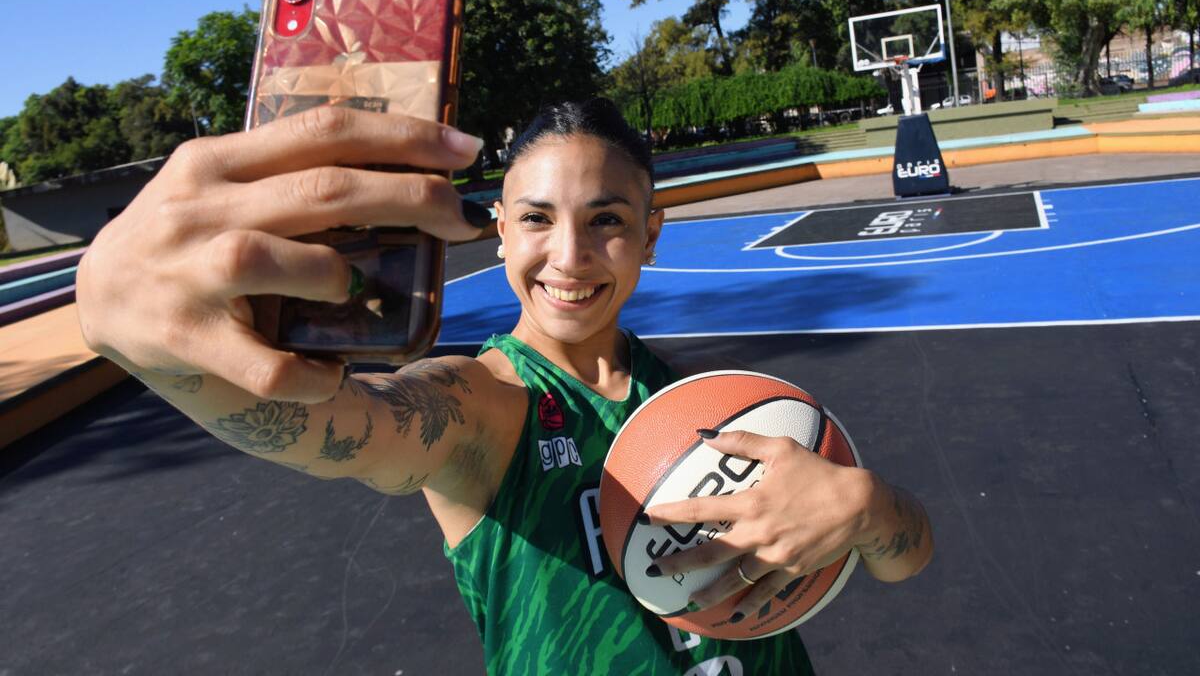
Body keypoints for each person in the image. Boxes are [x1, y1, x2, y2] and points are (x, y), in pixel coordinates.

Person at [77, 98, 932, 674]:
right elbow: (350, 430)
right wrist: (159, 351)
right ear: (498, 230)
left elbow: (902, 558)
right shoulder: (484, 403)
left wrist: (871, 507)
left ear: (650, 235)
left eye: (606, 221)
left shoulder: (707, 406)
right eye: (536, 218)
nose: (568, 257)